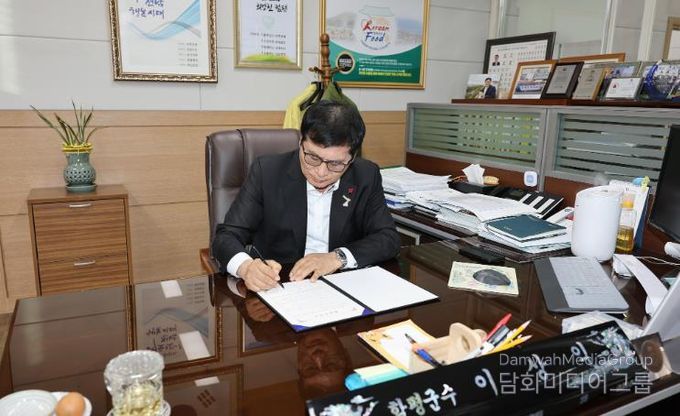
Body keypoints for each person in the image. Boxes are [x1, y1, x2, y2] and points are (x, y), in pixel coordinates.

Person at [212, 101, 400, 292]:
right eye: (313, 157)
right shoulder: (267, 172)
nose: (321, 172)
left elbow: (388, 238)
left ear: (352, 158)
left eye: (335, 164)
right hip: (279, 285)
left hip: (342, 286)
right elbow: (226, 236)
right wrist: (246, 267)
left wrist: (337, 258)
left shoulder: (366, 175)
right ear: (301, 141)